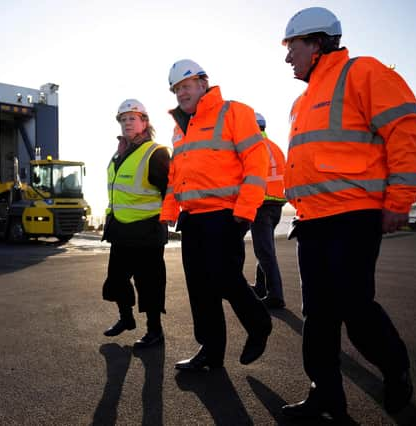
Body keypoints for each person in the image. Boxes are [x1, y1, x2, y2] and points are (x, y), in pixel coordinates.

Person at [280, 7, 416, 420]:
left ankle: (395, 367)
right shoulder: (302, 100)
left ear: (315, 42)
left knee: (354, 308)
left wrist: (399, 198)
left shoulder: (363, 73)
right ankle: (325, 392)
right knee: (318, 315)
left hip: (354, 215)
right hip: (311, 221)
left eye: (292, 46)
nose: (287, 56)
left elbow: (407, 131)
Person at [161, 59, 273, 370]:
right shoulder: (181, 127)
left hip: (226, 215)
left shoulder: (234, 112)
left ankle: (258, 323)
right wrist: (169, 210)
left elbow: (256, 160)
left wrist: (247, 208)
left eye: (185, 86)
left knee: (225, 279)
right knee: (199, 288)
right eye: (176, 89)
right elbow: (175, 174)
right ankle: (210, 351)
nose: (181, 93)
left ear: (202, 83)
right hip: (193, 218)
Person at [101, 99, 171, 348]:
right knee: (116, 280)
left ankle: (155, 332)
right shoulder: (118, 154)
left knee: (149, 284)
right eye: (123, 119)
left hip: (147, 229)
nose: (127, 123)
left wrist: (168, 218)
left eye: (133, 118)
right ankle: (126, 318)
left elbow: (169, 189)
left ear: (144, 122)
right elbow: (116, 191)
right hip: (121, 228)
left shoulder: (155, 151)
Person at [248, 112, 287, 309]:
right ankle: (261, 287)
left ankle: (275, 295)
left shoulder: (255, 148)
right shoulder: (276, 148)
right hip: (277, 204)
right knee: (266, 248)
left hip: (261, 205)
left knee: (264, 251)